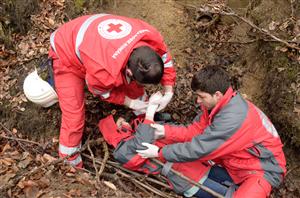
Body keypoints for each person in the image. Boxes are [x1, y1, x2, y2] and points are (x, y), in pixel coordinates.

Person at [23, 14, 176, 168]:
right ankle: (70, 163)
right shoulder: (104, 71)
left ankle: (146, 122)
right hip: (65, 55)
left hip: (89, 42)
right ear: (128, 72)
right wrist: (130, 103)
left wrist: (168, 89)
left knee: (135, 88)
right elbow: (102, 92)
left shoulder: (149, 35)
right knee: (73, 115)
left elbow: (165, 59)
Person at [136, 66, 286, 197]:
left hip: (263, 171)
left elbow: (200, 148)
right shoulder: (218, 106)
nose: (198, 101)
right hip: (237, 161)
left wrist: (160, 152)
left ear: (217, 95)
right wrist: (165, 131)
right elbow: (197, 131)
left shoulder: (232, 119)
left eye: (201, 97)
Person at [99, 92, 229, 197]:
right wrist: (150, 112)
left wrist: (160, 126)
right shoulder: (122, 152)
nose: (126, 124)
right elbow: (141, 145)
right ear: (114, 132)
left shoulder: (141, 129)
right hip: (187, 179)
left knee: (238, 182)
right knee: (228, 195)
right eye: (121, 124)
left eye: (124, 121)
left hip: (199, 163)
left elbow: (179, 132)